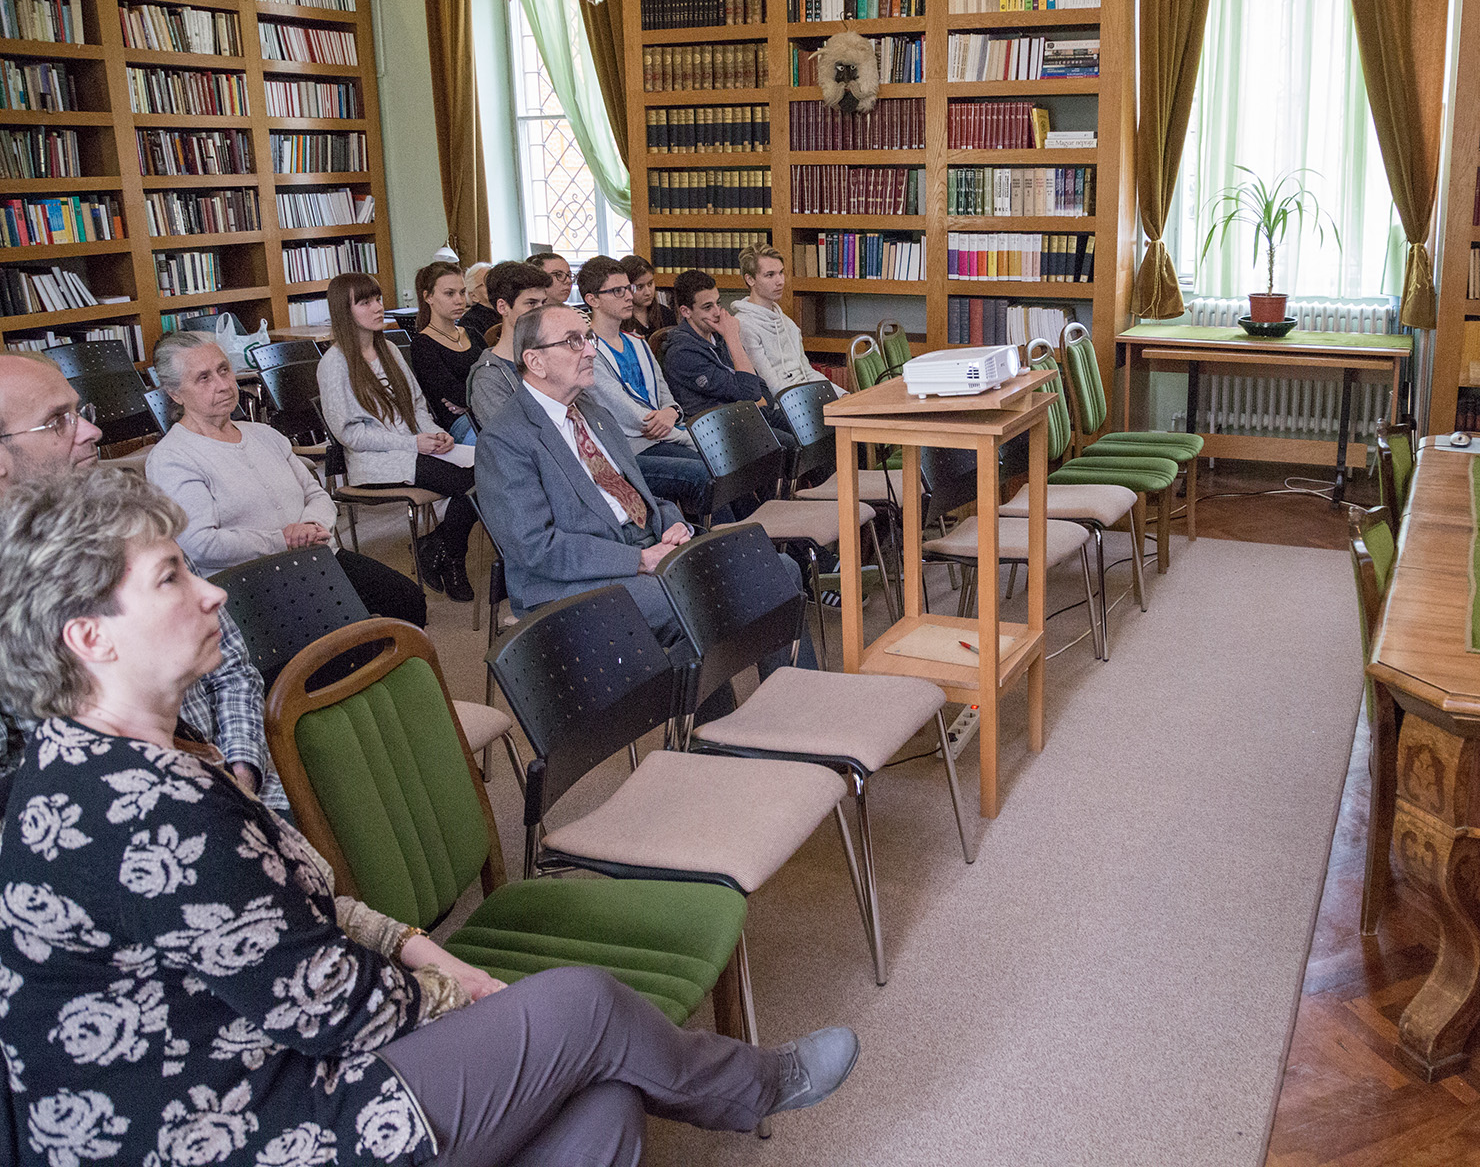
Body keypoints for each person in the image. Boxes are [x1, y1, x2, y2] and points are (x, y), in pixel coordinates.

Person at [0, 466, 859, 1167]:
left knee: (604, 1105)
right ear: (90, 637)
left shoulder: (107, 759)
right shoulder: (142, 809)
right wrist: (464, 994)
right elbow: (330, 1010)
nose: (212, 594)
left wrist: (417, 948)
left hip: (260, 1067)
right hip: (235, 1123)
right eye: (171, 578)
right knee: (584, 1011)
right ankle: (757, 1085)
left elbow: (290, 917)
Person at [473, 305, 817, 690]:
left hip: (645, 547)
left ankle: (792, 702)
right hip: (575, 582)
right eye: (573, 342)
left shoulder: (591, 412)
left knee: (778, 567)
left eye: (588, 338)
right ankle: (697, 718)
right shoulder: (505, 440)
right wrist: (639, 559)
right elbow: (535, 548)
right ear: (535, 361)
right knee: (712, 597)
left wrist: (673, 524)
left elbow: (637, 494)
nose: (590, 350)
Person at [0, 350, 277, 808]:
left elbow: (232, 668)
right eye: (56, 421)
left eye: (79, 412)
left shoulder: (128, 521)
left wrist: (241, 768)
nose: (92, 431)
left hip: (234, 777)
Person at [145, 331, 427, 626]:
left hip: (315, 556)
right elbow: (200, 543)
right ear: (175, 393)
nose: (223, 385)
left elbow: (316, 494)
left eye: (224, 370)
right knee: (344, 636)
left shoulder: (264, 434)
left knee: (407, 600)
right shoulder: (172, 457)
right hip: (251, 579)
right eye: (203, 378)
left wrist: (312, 526)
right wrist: (283, 540)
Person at [317, 272, 479, 603]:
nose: (378, 308)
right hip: (375, 464)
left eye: (378, 300)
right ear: (344, 310)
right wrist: (412, 443)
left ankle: (439, 546)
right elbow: (350, 434)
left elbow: (417, 406)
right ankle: (450, 556)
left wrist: (436, 433)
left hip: (415, 450)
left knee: (488, 472)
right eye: (365, 303)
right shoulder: (334, 364)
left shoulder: (389, 349)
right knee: (470, 482)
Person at [579, 255, 712, 513]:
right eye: (617, 291)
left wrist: (672, 412)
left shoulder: (637, 342)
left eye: (628, 288)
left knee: (726, 459)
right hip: (631, 446)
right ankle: (716, 533)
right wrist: (687, 436)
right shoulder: (589, 351)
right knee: (708, 466)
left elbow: (665, 394)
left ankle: (746, 528)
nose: (629, 296)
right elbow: (630, 416)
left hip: (665, 434)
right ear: (592, 300)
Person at [661, 270, 795, 442]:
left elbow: (761, 388)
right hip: (719, 429)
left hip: (748, 416)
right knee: (789, 443)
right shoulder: (682, 353)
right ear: (686, 311)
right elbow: (751, 393)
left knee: (816, 424)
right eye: (707, 307)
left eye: (718, 303)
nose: (717, 312)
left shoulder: (718, 335)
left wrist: (756, 401)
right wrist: (733, 339)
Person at [732, 243, 842, 396]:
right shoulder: (744, 325)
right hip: (784, 404)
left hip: (805, 396)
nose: (780, 281)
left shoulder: (787, 322)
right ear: (750, 279)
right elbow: (771, 385)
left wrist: (841, 395)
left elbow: (807, 372)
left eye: (781, 273)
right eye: (770, 275)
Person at [466, 261, 560, 432]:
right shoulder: (488, 378)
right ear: (503, 307)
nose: (540, 312)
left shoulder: (551, 356)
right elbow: (513, 438)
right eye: (531, 303)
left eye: (543, 303)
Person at [409, 260, 486, 444]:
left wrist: (470, 404)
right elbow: (455, 394)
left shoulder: (472, 333)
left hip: (486, 412)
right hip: (460, 424)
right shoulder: (423, 345)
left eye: (462, 292)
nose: (459, 300)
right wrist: (479, 398)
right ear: (428, 297)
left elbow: (496, 377)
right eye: (449, 293)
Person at [619, 254, 672, 336]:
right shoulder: (619, 320)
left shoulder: (665, 314)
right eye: (640, 287)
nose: (648, 292)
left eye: (650, 284)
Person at [458, 261, 497, 341]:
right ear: (474, 296)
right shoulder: (469, 322)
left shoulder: (508, 309)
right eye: (487, 282)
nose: (494, 285)